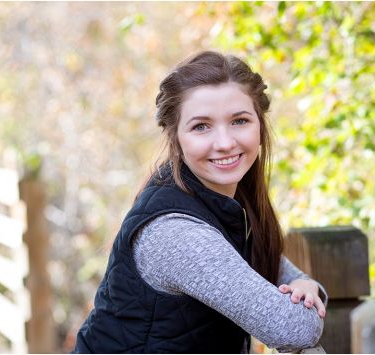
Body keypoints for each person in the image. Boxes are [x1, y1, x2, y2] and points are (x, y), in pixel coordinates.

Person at [74, 51, 327, 353]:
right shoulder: (176, 233)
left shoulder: (229, 207)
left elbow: (285, 274)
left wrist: (309, 289)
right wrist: (311, 296)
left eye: (239, 121)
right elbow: (292, 328)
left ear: (259, 126)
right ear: (176, 137)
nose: (224, 142)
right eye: (201, 127)